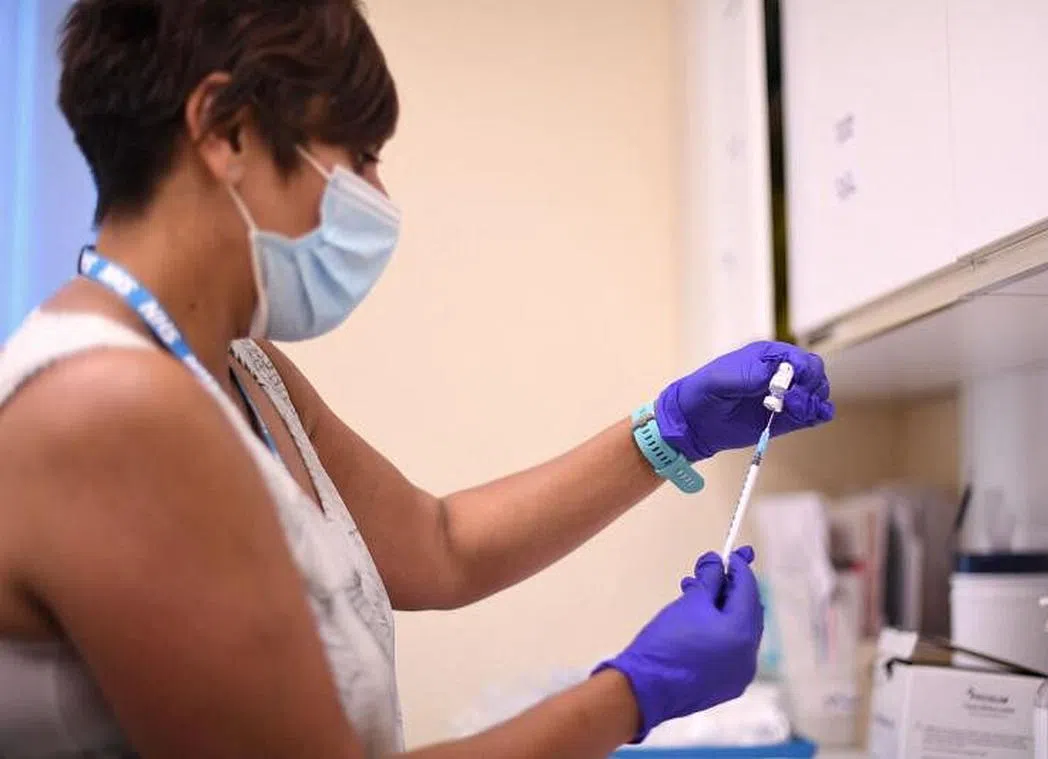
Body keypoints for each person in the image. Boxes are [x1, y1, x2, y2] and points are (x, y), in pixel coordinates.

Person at [0, 0, 834, 756]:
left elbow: (439, 546)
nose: (378, 195)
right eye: (359, 157)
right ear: (227, 131)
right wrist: (636, 691)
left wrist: (669, 430)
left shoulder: (244, 368)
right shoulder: (109, 409)